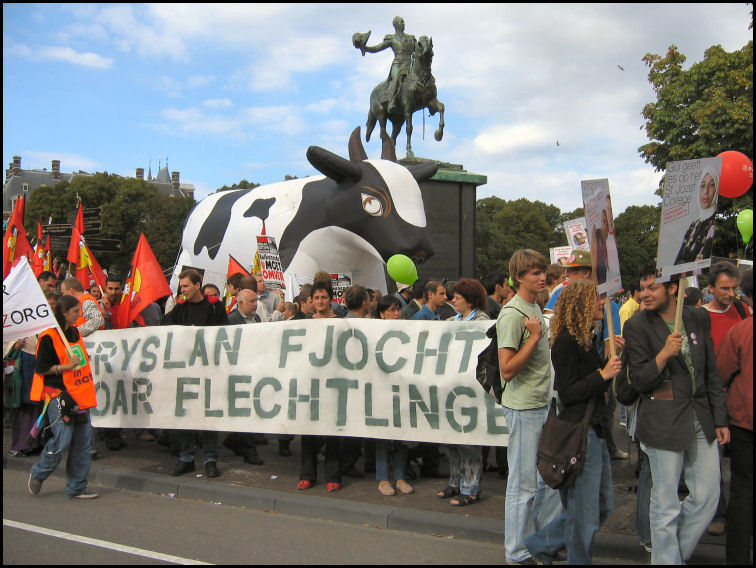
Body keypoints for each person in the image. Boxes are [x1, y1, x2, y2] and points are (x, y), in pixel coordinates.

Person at [623, 264, 729, 565]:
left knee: (707, 496)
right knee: (665, 502)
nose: (644, 293)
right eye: (642, 288)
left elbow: (710, 372)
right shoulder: (636, 326)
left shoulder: (697, 317)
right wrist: (663, 355)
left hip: (700, 418)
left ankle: (669, 555)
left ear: (672, 288)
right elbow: (639, 380)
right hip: (662, 421)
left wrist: (720, 418)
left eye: (652, 287)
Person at [525, 279, 624, 564]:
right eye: (596, 299)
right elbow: (568, 392)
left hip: (595, 430)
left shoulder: (586, 340)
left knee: (601, 506)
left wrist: (610, 359)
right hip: (581, 434)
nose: (602, 303)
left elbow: (595, 382)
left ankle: (541, 543)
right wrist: (603, 374)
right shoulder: (566, 342)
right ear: (581, 304)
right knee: (584, 517)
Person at [497, 249, 563, 564]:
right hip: (524, 409)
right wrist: (534, 338)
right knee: (522, 485)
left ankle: (538, 541)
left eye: (543, 272)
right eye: (535, 273)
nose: (542, 277)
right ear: (518, 277)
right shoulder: (513, 313)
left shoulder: (533, 306)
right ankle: (516, 552)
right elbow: (507, 369)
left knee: (545, 481)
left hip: (541, 404)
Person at [27, 294, 99, 499]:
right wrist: (65, 367)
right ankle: (39, 472)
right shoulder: (49, 336)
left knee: (83, 444)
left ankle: (77, 486)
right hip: (58, 395)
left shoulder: (74, 332)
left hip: (80, 395)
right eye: (75, 311)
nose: (79, 315)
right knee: (62, 441)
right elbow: (41, 368)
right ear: (64, 312)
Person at [162, 269, 229, 478]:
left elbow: (225, 334)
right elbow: (164, 327)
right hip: (186, 371)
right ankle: (186, 458)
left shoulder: (215, 307)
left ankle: (210, 459)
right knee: (185, 415)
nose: (182, 290)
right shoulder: (180, 308)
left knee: (208, 415)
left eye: (186, 286)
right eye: (181, 287)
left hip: (209, 370)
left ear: (197, 286)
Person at [702, 261, 750, 536]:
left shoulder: (742, 310)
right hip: (714, 399)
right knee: (715, 462)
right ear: (710, 288)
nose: (731, 294)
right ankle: (717, 512)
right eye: (724, 288)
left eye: (734, 288)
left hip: (740, 401)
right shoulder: (700, 317)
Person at [436, 278, 489, 506]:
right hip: (451, 386)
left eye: (457, 297)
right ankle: (455, 482)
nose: (453, 300)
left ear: (470, 300)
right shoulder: (450, 321)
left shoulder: (482, 322)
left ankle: (471, 488)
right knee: (452, 439)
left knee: (469, 441)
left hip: (470, 388)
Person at [715, 269, 752, 565]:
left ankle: (737, 558)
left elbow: (723, 372)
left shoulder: (741, 331)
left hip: (743, 421)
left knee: (742, 490)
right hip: (743, 421)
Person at [298, 282, 343, 491]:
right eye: (316, 298)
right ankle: (307, 474)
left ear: (330, 299)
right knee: (308, 430)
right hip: (310, 383)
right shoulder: (305, 323)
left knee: (333, 430)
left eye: (323, 297)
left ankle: (333, 475)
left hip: (333, 383)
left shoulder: (341, 322)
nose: (319, 301)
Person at [373, 294, 414, 497]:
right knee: (383, 437)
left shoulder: (407, 331)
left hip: (401, 390)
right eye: (392, 310)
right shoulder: (373, 332)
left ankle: (400, 477)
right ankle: (383, 479)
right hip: (380, 392)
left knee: (401, 436)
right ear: (382, 314)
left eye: (398, 310)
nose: (397, 314)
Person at [223, 289, 265, 465]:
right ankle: (248, 449)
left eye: (256, 300)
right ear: (240, 303)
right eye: (252, 301)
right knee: (244, 409)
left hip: (254, 369)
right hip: (239, 371)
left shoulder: (256, 319)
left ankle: (234, 439)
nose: (256, 304)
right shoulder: (231, 320)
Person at [356, 16, 417, 114]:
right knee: (396, 79)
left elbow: (418, 50)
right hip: (398, 64)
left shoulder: (411, 38)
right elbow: (377, 48)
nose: (404, 23)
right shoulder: (392, 39)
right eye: (401, 22)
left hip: (410, 65)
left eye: (403, 22)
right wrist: (366, 48)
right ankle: (391, 102)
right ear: (396, 25)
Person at [674, 166, 718, 264]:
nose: (706, 191)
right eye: (702, 185)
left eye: (712, 185)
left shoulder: (714, 224)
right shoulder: (694, 225)